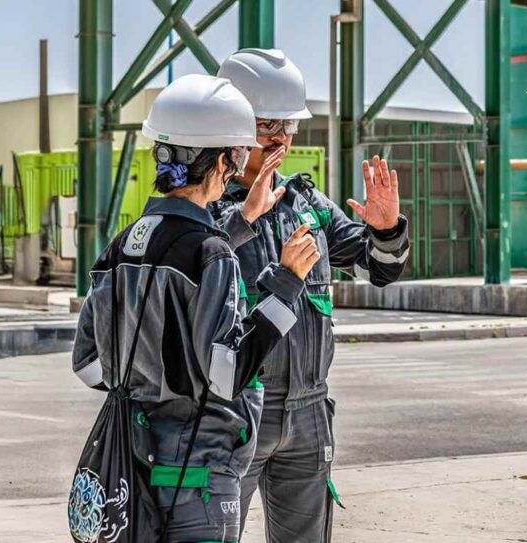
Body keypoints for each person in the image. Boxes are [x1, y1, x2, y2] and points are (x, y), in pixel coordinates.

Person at [71, 73, 321, 542]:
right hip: (199, 481)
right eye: (241, 151)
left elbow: (87, 364)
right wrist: (285, 285)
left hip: (134, 470)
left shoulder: (121, 247)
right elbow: (225, 376)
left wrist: (148, 385)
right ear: (225, 159)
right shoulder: (211, 254)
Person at [213, 48, 410, 542]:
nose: (281, 139)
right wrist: (246, 221)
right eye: (268, 126)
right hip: (233, 411)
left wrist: (386, 229)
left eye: (289, 126)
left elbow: (381, 269)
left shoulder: (308, 206)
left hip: (307, 415)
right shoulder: (207, 209)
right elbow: (196, 266)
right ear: (233, 127)